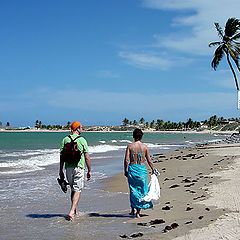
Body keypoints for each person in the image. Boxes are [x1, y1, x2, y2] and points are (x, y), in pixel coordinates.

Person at [59, 121, 91, 221]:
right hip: (79, 167)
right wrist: (89, 170)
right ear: (77, 128)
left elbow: (62, 156)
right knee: (77, 189)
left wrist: (60, 170)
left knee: (73, 189)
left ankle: (76, 211)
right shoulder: (82, 140)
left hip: (68, 168)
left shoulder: (65, 139)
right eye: (81, 127)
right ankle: (72, 211)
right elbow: (87, 158)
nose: (82, 129)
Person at [124, 128, 155, 218]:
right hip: (141, 170)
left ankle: (132, 209)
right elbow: (149, 160)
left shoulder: (130, 146)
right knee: (142, 190)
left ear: (134, 136)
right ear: (141, 137)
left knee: (133, 190)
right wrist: (153, 169)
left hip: (132, 169)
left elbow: (126, 160)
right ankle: (138, 212)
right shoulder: (145, 147)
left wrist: (125, 170)